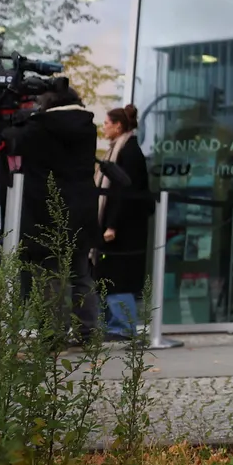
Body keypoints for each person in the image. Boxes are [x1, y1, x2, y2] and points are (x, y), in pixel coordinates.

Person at [3, 87, 104, 346]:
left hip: (47, 210)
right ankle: (89, 332)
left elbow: (11, 140)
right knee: (81, 274)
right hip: (82, 210)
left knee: (51, 276)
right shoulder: (86, 126)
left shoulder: (41, 128)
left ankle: (54, 335)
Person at [95, 104, 153, 339]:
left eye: (107, 123)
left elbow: (122, 192)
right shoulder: (117, 150)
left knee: (120, 276)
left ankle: (122, 325)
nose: (104, 128)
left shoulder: (128, 152)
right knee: (109, 274)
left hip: (124, 228)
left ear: (118, 126)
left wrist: (112, 225)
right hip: (117, 225)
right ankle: (111, 323)